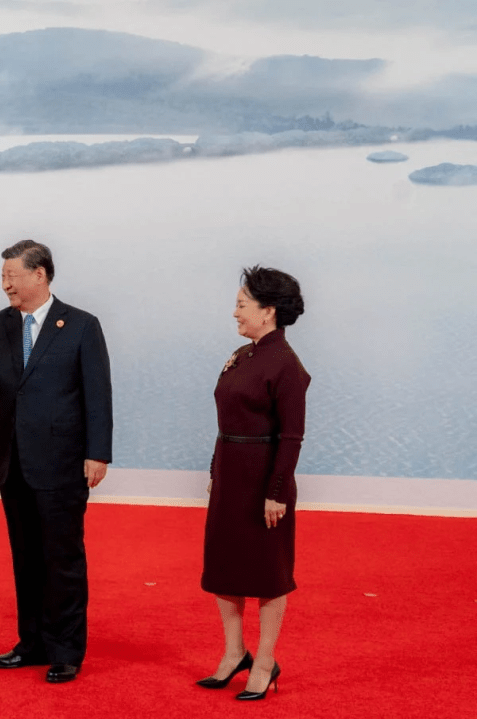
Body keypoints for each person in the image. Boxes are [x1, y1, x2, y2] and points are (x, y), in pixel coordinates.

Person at [0, 239, 112, 684]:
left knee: (62, 559)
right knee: (26, 558)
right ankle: (32, 644)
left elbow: (98, 393)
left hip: (62, 463)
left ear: (39, 274)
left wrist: (98, 453)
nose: (5, 284)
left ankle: (66, 650)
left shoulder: (82, 325)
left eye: (12, 275)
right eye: (2, 277)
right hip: (12, 463)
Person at [197, 265, 310, 701]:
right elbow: (226, 422)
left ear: (269, 311)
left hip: (264, 483)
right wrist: (216, 471)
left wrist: (276, 493)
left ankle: (264, 661)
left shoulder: (287, 365)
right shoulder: (243, 355)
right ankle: (233, 653)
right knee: (224, 568)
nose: (235, 312)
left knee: (268, 573)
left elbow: (292, 436)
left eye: (242, 304)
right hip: (230, 476)